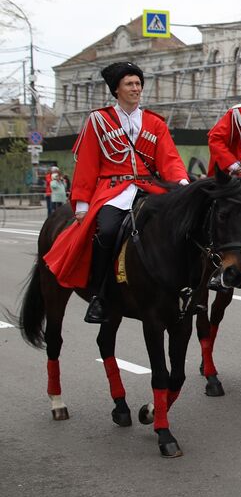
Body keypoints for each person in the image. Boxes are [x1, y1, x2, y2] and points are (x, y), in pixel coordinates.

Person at [43, 61, 188, 323]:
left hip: (150, 188)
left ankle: (183, 289)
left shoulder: (155, 122)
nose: (136, 88)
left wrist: (182, 184)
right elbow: (87, 164)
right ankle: (99, 295)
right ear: (116, 90)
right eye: (129, 84)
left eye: (138, 84)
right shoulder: (99, 121)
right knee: (107, 230)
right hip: (112, 191)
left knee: (175, 229)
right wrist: (82, 204)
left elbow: (169, 159)